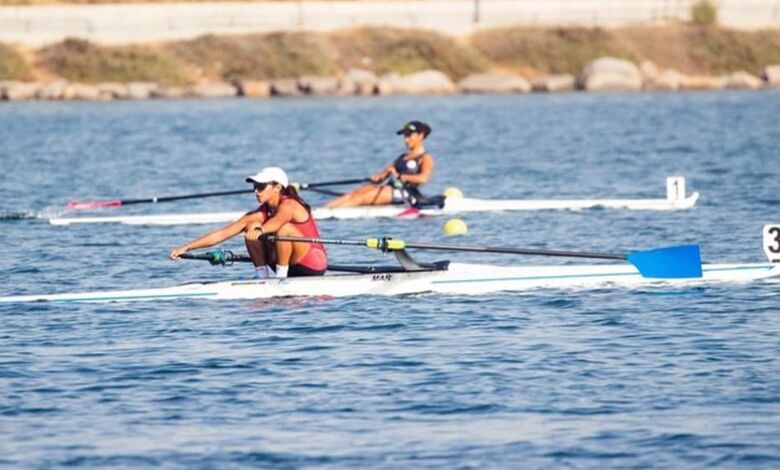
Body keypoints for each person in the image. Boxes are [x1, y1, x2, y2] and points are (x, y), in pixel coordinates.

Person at [169, 167, 327, 279]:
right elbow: (222, 234)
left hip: (311, 264)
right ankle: (262, 277)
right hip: (285, 264)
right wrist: (187, 247)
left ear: (277, 187)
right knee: (251, 227)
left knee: (283, 229)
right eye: (255, 187)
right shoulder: (258, 214)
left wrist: (260, 231)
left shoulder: (290, 205)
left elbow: (277, 222)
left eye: (261, 186)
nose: (256, 191)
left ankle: (280, 278)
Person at [325, 120, 435, 208]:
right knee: (356, 192)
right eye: (405, 136)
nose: (406, 140)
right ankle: (325, 209)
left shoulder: (425, 158)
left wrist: (401, 176)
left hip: (406, 193)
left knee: (362, 198)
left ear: (420, 135)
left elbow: (423, 178)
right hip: (390, 188)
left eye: (409, 136)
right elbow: (386, 173)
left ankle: (334, 211)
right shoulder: (402, 157)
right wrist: (378, 177)